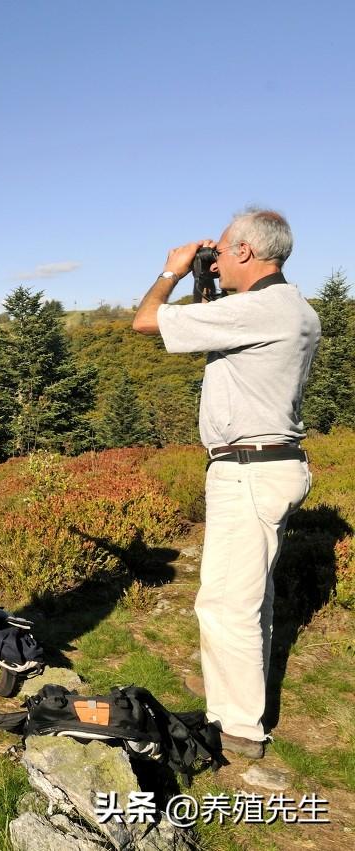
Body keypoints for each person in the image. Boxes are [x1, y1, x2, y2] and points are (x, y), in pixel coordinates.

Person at [132, 207, 319, 759]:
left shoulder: (261, 311)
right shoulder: (286, 308)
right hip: (267, 464)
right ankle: (233, 694)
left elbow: (147, 321)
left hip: (248, 469)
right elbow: (217, 333)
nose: (215, 259)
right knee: (249, 597)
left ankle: (238, 727)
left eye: (222, 251)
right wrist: (208, 284)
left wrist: (172, 271)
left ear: (244, 251)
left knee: (226, 603)